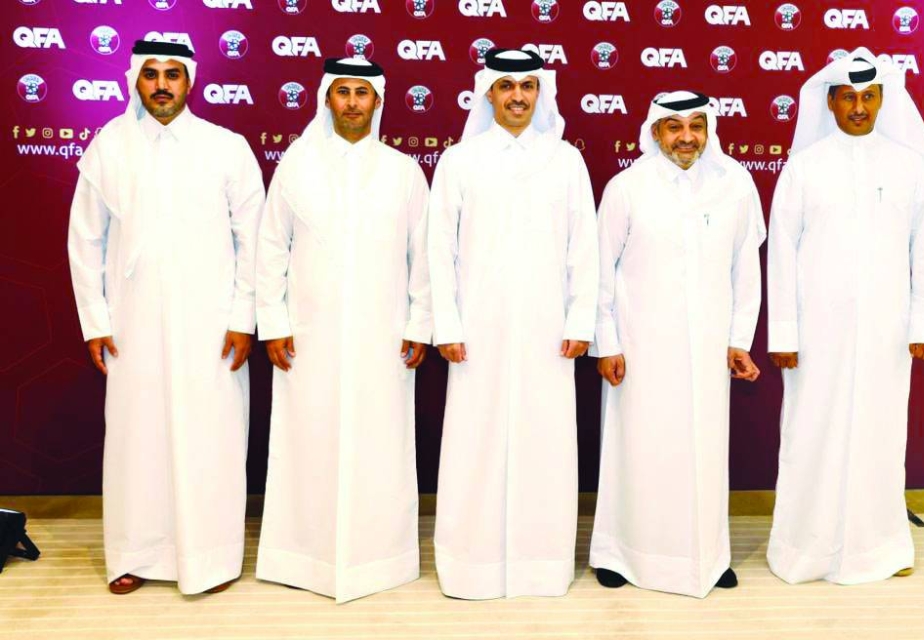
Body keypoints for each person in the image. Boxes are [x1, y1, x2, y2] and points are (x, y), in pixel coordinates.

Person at [67, 40, 264, 595]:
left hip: (213, 325)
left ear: (190, 80)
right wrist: (95, 320)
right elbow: (85, 238)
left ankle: (210, 559)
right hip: (133, 324)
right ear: (135, 78)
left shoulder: (226, 147)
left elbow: (253, 241)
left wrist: (243, 318)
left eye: (172, 74)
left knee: (212, 436)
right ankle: (132, 555)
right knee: (136, 437)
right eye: (150, 74)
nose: (160, 84)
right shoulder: (110, 146)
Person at [766, 47, 924, 585]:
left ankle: (878, 548)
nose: (858, 106)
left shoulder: (909, 166)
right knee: (810, 432)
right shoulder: (804, 168)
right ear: (830, 102)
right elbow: (780, 253)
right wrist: (784, 332)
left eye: (868, 96)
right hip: (814, 332)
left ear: (881, 100)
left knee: (879, 433)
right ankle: (803, 550)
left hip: (887, 333)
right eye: (847, 96)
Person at [254, 58, 432, 602]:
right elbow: (269, 249)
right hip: (309, 338)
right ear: (327, 100)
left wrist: (420, 322)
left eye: (362, 93)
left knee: (382, 444)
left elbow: (422, 256)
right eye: (343, 92)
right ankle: (300, 558)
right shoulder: (296, 167)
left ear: (378, 101)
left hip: (385, 338)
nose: (353, 103)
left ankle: (381, 561)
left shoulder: (404, 171)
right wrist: (273, 323)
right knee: (306, 440)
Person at [427, 48, 598, 600]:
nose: (518, 96)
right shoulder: (460, 160)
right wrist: (447, 324)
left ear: (540, 94)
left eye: (527, 86)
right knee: (473, 443)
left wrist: (579, 317)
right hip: (477, 330)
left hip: (550, 331)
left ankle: (540, 566)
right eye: (506, 87)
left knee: (546, 443)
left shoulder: (566, 159)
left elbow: (584, 248)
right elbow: (440, 249)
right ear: (488, 95)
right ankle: (470, 565)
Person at [588, 91, 765, 597]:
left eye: (695, 126)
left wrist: (739, 339)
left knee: (704, 452)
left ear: (708, 130)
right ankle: (619, 554)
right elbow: (603, 270)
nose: (686, 137)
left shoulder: (735, 184)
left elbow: (744, 269)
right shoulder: (628, 187)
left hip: (709, 348)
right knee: (637, 450)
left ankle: (708, 559)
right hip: (641, 347)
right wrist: (608, 342)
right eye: (674, 127)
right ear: (655, 132)